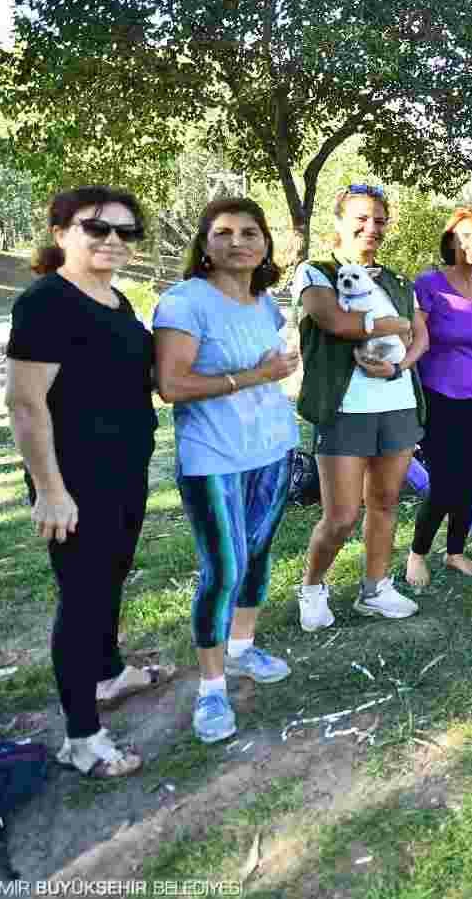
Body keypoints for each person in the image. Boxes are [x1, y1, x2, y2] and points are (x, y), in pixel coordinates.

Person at [7, 186, 162, 778]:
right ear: (61, 233)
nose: (113, 241)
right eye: (97, 228)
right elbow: (25, 403)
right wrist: (49, 489)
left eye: (126, 231)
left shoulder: (115, 300)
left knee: (110, 577)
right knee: (83, 595)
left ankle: (109, 672)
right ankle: (81, 736)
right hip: (74, 480)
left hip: (125, 468)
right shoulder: (46, 302)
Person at [153, 197, 300, 743]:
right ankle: (211, 689)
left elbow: (277, 362)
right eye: (223, 232)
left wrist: (278, 371)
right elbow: (170, 385)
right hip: (214, 457)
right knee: (224, 567)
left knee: (258, 555)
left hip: (274, 447)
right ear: (205, 244)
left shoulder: (265, 304)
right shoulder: (184, 302)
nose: (238, 242)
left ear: (264, 243)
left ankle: (242, 647)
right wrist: (254, 377)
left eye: (249, 232)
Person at [293, 184, 428, 627]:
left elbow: (421, 336)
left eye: (380, 220)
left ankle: (375, 589)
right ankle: (312, 588)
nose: (372, 227)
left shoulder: (398, 280)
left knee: (386, 501)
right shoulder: (316, 272)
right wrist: (392, 324)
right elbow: (335, 322)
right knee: (341, 515)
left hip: (398, 404)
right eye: (361, 218)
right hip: (344, 408)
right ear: (338, 222)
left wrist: (398, 366)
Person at [406, 207, 472, 587]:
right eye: (466, 237)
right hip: (440, 396)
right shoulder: (428, 284)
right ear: (450, 241)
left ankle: (456, 551)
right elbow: (414, 337)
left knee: (469, 478)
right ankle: (417, 554)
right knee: (444, 482)